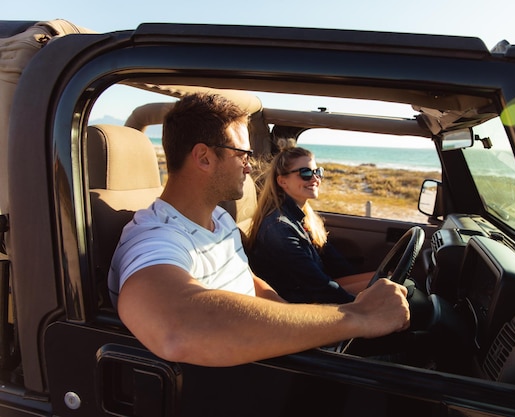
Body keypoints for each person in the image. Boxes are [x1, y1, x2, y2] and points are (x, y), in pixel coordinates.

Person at [107, 93, 410, 367]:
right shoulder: (155, 237)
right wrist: (356, 316)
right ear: (203, 157)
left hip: (275, 360)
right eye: (242, 154)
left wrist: (297, 327)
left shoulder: (220, 220)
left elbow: (251, 284)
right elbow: (177, 327)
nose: (250, 166)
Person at [246, 142, 371, 304]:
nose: (315, 178)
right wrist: (361, 307)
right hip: (300, 303)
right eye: (305, 173)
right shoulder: (279, 228)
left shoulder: (305, 218)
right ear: (283, 181)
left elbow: (336, 264)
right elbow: (317, 286)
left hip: (315, 291)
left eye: (317, 172)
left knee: (388, 281)